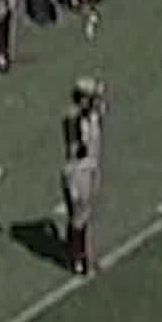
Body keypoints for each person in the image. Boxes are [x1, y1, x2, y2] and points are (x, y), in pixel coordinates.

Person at [60, 77, 105, 275]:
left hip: (91, 166)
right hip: (78, 168)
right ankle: (76, 257)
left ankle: (83, 253)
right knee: (78, 214)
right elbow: (76, 147)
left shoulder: (92, 115)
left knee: (86, 214)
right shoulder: (75, 119)